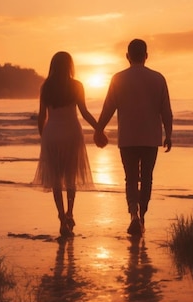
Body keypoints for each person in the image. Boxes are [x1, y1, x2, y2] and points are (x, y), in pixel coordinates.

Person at [94, 39, 173, 236]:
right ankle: (143, 217)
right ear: (146, 55)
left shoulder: (118, 78)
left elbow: (108, 108)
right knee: (146, 179)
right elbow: (166, 111)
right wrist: (168, 134)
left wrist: (99, 129)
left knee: (130, 179)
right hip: (150, 138)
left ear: (127, 56)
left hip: (127, 138)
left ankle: (133, 216)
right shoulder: (158, 78)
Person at [33, 51, 98, 237]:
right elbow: (84, 112)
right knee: (70, 177)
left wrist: (43, 137)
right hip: (71, 133)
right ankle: (70, 212)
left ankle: (61, 218)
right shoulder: (76, 85)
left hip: (52, 134)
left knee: (55, 180)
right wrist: (98, 128)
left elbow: (41, 116)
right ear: (70, 65)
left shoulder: (46, 87)